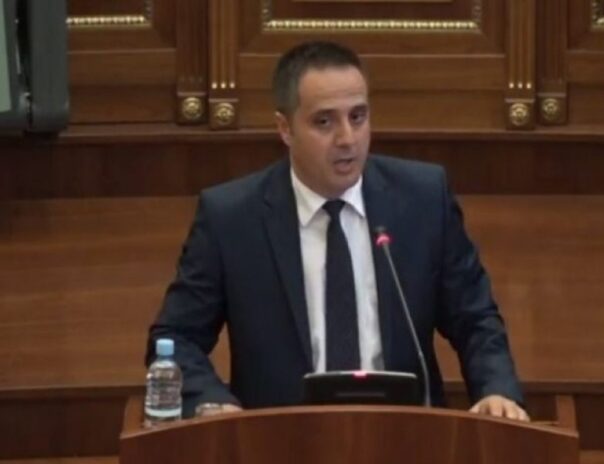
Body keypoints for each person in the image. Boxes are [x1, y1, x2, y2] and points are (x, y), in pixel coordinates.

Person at [146, 40, 529, 421]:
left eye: (358, 117)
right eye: (324, 122)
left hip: (406, 433)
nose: (347, 139)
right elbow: (176, 337)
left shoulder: (423, 199)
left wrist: (495, 389)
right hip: (279, 439)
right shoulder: (232, 218)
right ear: (285, 128)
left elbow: (475, 318)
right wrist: (212, 401)